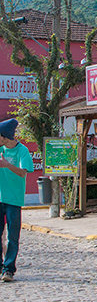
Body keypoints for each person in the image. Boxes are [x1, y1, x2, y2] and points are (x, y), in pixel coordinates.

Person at [0, 118, 33, 283]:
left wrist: (6, 165)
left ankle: (9, 270)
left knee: (12, 237)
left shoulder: (22, 151)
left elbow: (23, 173)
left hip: (14, 200)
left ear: (5, 136)